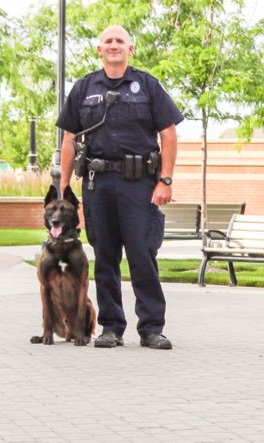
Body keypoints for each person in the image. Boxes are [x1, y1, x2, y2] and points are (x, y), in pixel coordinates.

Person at [56, 25, 182, 350]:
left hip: (140, 184)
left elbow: (168, 133)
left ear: (130, 49)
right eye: (108, 41)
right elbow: (69, 138)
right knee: (105, 256)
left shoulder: (148, 85)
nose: (114, 45)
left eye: (120, 41)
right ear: (99, 50)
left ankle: (151, 328)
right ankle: (111, 327)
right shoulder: (84, 88)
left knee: (142, 255)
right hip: (98, 184)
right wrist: (63, 188)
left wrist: (165, 179)